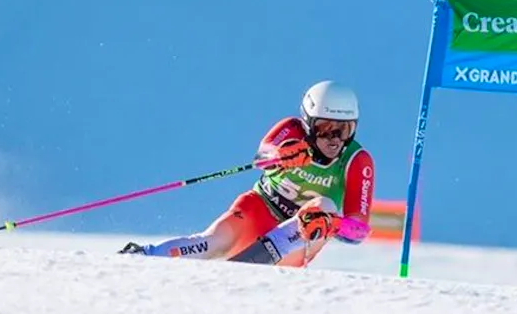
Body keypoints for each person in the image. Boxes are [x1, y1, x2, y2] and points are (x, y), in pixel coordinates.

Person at [118, 80, 375, 267]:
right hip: (259, 207)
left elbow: (359, 230)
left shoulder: (357, 161)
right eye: (324, 128)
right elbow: (262, 157)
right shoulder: (291, 130)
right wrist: (281, 156)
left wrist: (334, 224)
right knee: (212, 242)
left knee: (324, 206)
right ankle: (145, 257)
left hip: (297, 238)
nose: (333, 140)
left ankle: (260, 259)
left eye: (343, 130)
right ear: (308, 123)